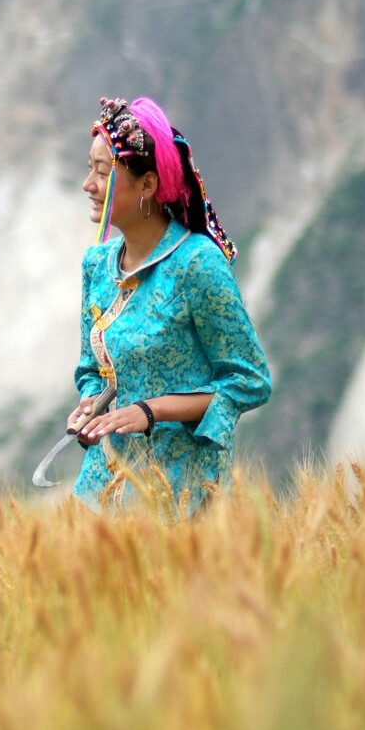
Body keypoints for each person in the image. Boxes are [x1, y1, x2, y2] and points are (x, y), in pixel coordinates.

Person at [68, 97, 271, 513]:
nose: (88, 184)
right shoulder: (96, 265)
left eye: (103, 172)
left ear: (147, 185)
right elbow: (94, 370)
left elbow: (249, 381)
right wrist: (92, 408)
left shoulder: (197, 262)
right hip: (104, 488)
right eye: (89, 168)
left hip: (182, 496)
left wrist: (152, 411)